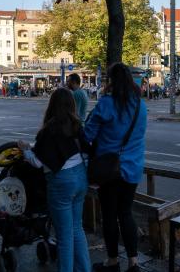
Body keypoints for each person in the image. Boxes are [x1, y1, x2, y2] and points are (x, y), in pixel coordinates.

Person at [18, 88, 91, 272]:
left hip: (61, 183)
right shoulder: (76, 125)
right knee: (77, 229)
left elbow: (37, 162)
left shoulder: (49, 130)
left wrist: (25, 149)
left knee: (64, 235)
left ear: (52, 105)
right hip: (81, 177)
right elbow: (84, 151)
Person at [84, 63, 147, 272]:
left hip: (109, 170)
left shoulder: (106, 104)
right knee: (126, 213)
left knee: (109, 215)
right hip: (133, 168)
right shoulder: (140, 105)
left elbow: (87, 135)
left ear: (110, 81)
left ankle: (112, 261)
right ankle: (133, 263)